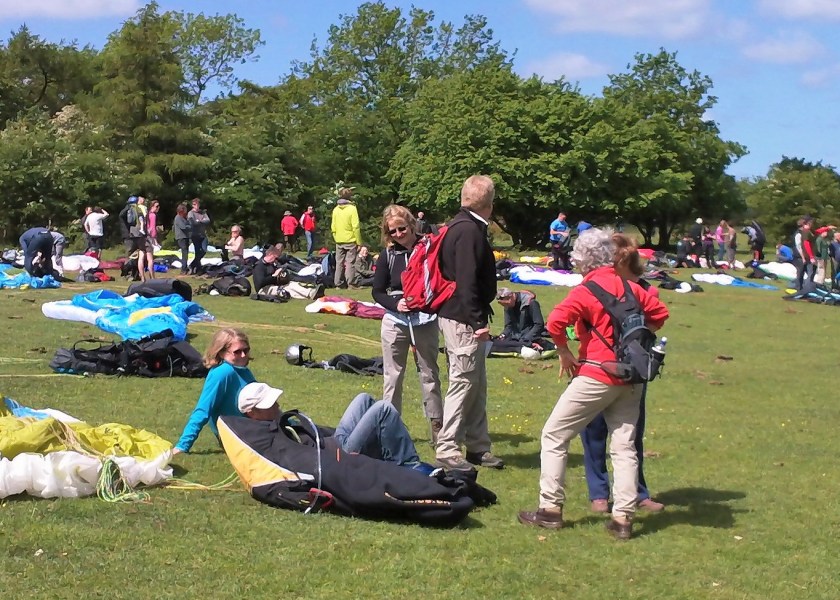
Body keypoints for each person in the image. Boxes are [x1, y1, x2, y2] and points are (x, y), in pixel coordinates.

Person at [517, 227, 669, 539]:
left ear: (583, 261)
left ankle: (550, 509)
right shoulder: (632, 288)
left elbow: (555, 322)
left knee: (554, 435)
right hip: (631, 375)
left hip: (597, 374)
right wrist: (637, 340)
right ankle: (623, 519)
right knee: (624, 446)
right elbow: (659, 313)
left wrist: (564, 352)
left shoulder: (585, 291)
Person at [580, 233, 666, 517]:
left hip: (631, 370)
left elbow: (656, 318)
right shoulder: (595, 286)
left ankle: (637, 493)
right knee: (593, 431)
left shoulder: (643, 290)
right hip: (596, 366)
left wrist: (636, 340)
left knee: (630, 434)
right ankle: (599, 493)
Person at [435, 175, 502, 472]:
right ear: (489, 203)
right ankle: (448, 447)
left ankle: (477, 446)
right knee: (463, 382)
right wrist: (477, 322)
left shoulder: (461, 226)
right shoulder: (468, 231)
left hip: (460, 315)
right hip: (463, 317)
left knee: (476, 384)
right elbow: (466, 281)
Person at [371, 205, 443, 443]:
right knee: (392, 376)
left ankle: (437, 429)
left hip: (425, 319)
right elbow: (377, 292)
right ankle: (389, 431)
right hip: (396, 321)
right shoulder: (388, 255)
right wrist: (395, 304)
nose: (399, 234)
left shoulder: (429, 249)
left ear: (412, 225)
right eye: (393, 231)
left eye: (402, 228)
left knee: (429, 374)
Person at [238, 383, 430, 470]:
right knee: (384, 409)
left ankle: (391, 455)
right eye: (270, 404)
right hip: (339, 457)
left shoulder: (273, 422)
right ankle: (409, 465)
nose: (277, 405)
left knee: (364, 399)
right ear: (251, 413)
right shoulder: (266, 436)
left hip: (333, 442)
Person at [173, 328, 256, 454]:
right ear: (221, 352)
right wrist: (182, 446)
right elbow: (202, 410)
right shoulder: (222, 373)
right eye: (237, 352)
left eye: (246, 350)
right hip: (240, 435)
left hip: (254, 427)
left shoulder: (242, 371)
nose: (243, 355)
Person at [493, 287, 553, 354]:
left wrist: (527, 339)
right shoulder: (507, 306)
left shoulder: (531, 303)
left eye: (506, 304)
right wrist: (502, 336)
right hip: (515, 337)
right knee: (494, 344)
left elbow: (539, 324)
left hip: (529, 337)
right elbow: (508, 326)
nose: (505, 306)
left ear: (511, 296)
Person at [331, 187, 362, 288]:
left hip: (339, 239)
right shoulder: (352, 209)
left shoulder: (335, 209)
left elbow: (333, 226)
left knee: (339, 262)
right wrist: (359, 242)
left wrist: (336, 237)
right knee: (350, 262)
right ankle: (351, 283)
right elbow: (356, 226)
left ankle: (338, 283)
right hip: (350, 239)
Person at [187, 198, 211, 275]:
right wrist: (201, 222)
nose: (196, 206)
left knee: (203, 251)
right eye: (194, 204)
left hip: (203, 235)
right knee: (197, 252)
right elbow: (193, 223)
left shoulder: (202, 213)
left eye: (197, 204)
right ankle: (198, 269)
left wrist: (199, 221)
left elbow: (208, 220)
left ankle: (192, 265)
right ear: (192, 205)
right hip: (195, 235)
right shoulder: (191, 213)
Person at [792, 217, 816, 290]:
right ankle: (798, 288)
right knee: (800, 273)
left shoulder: (804, 233)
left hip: (803, 256)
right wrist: (803, 257)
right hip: (799, 256)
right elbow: (799, 247)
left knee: (807, 272)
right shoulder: (799, 234)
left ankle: (804, 287)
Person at [172, 203, 191, 275]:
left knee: (186, 253)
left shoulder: (183, 218)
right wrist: (190, 226)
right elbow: (183, 227)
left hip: (185, 237)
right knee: (185, 253)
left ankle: (185, 267)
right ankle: (184, 269)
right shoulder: (178, 218)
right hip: (181, 237)